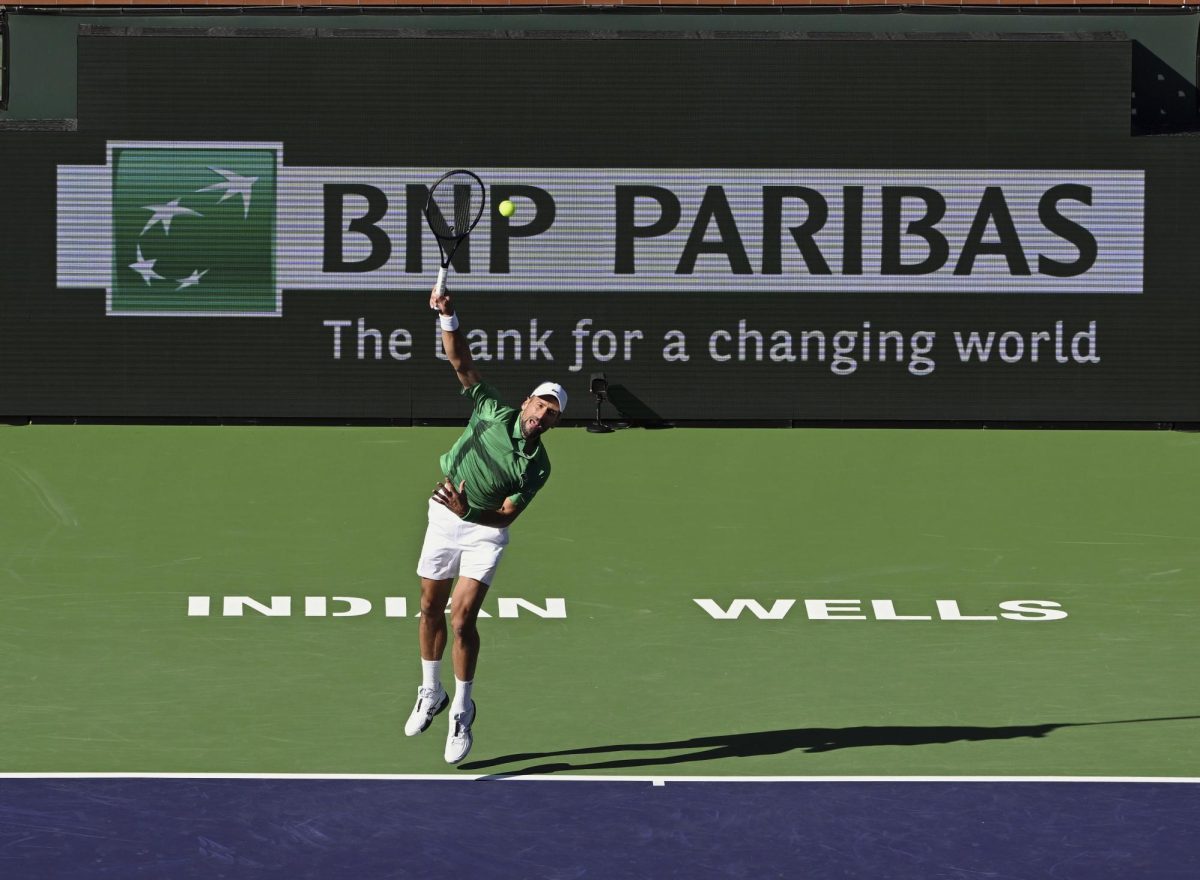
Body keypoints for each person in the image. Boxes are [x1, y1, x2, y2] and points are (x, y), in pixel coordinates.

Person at [404, 281, 566, 764]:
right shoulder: (492, 408)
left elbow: (504, 515)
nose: (541, 414)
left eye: (552, 413)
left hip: (483, 533)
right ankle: (430, 691)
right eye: (540, 404)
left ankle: (462, 708)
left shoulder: (537, 467)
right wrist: (446, 316)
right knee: (429, 607)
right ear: (527, 401)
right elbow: (460, 362)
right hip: (443, 514)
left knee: (461, 617)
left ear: (554, 424)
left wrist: (467, 511)